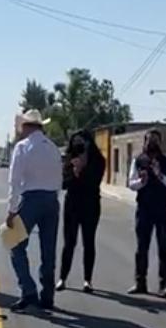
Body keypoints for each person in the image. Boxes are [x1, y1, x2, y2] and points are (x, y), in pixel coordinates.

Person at [6, 110, 63, 311]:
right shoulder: (53, 148)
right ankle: (47, 295)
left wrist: (12, 210)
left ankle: (28, 290)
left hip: (30, 199)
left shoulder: (22, 148)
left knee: (15, 243)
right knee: (48, 250)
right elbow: (59, 179)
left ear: (28, 127)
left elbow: (14, 181)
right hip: (51, 200)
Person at [127, 129, 166, 297]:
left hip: (163, 209)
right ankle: (139, 282)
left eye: (156, 140)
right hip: (144, 209)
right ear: (144, 142)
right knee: (142, 247)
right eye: (149, 140)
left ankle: (165, 284)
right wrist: (141, 181)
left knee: (164, 247)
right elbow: (131, 183)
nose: (152, 143)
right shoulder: (138, 160)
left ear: (160, 142)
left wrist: (160, 176)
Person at [56, 130, 106, 293]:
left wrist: (83, 169)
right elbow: (63, 183)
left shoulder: (98, 160)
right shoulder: (69, 159)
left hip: (90, 204)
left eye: (82, 143)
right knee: (69, 242)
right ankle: (62, 278)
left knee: (88, 242)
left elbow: (94, 182)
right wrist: (74, 170)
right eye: (76, 142)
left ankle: (87, 280)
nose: (78, 146)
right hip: (72, 205)